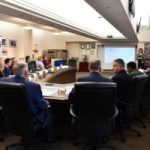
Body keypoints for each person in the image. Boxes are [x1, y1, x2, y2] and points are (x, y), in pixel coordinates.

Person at [0, 61, 53, 142]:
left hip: (11, 118)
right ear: (26, 72)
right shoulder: (33, 86)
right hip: (31, 119)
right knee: (50, 110)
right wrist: (47, 103)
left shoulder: (2, 81)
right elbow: (42, 105)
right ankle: (49, 137)